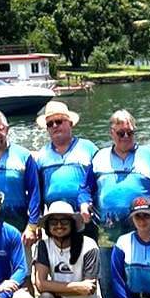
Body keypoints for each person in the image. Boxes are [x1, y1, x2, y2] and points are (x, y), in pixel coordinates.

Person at [92, 109, 150, 298]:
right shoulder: (99, 156)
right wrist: (84, 202)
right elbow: (86, 187)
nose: (125, 137)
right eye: (120, 133)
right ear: (111, 133)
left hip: (143, 228)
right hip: (107, 232)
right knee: (108, 282)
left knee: (145, 274)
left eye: (130, 132)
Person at [32, 201, 108, 298]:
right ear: (47, 226)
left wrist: (54, 287)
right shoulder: (43, 246)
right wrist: (77, 287)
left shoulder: (89, 245)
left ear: (73, 223)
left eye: (64, 221)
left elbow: (89, 289)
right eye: (53, 222)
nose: (59, 226)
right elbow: (40, 285)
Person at [30, 100, 98, 238]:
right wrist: (35, 222)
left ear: (70, 123)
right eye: (50, 124)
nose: (54, 126)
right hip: (55, 221)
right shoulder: (41, 155)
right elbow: (37, 191)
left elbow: (99, 183)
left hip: (84, 216)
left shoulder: (89, 148)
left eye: (59, 121)